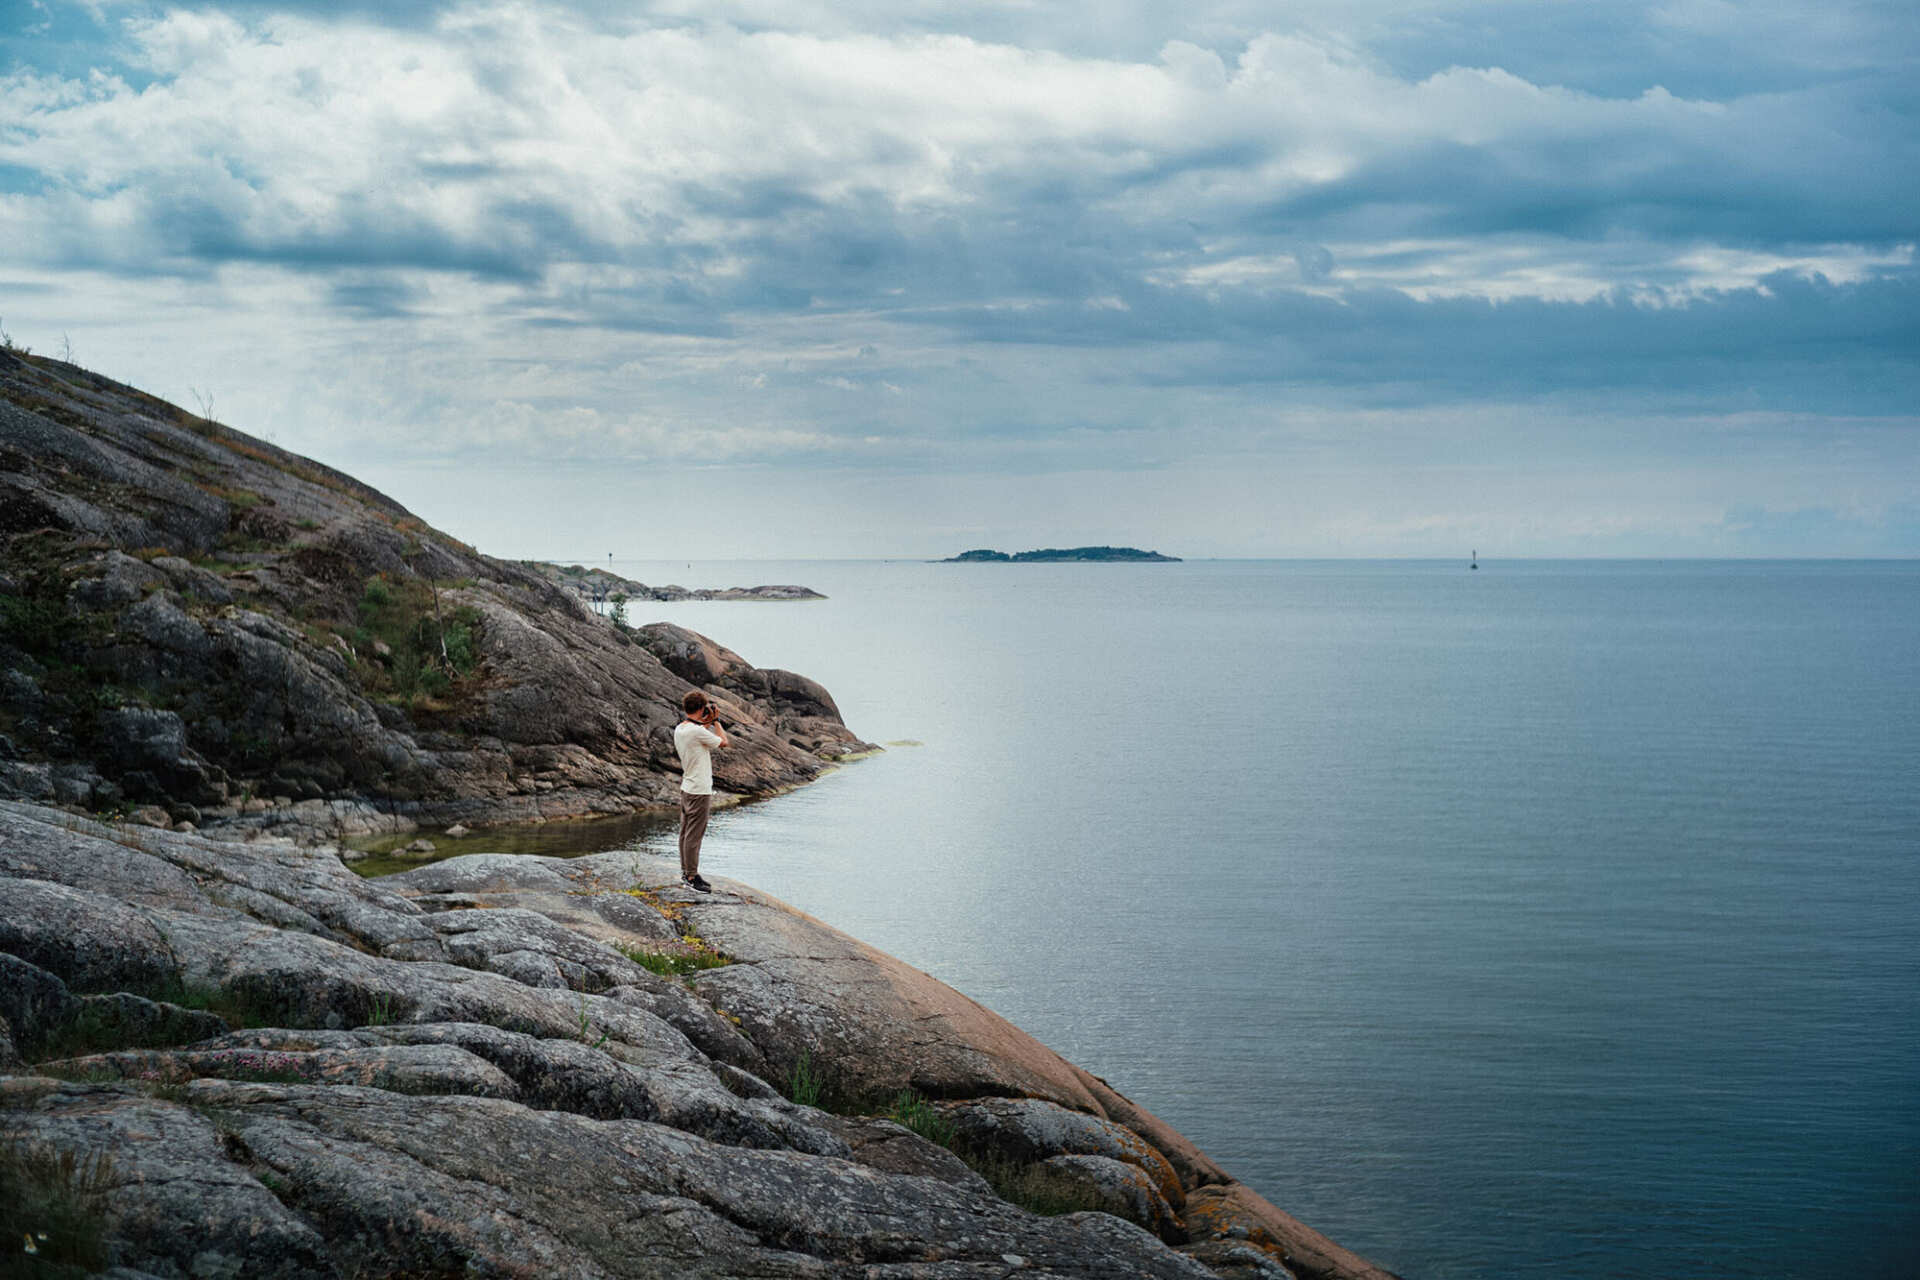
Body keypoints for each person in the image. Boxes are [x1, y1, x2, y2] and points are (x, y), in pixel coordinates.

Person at [672, 689, 729, 892]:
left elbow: (698, 732)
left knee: (685, 833)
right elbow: (723, 742)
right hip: (699, 790)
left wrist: (706, 722)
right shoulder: (697, 731)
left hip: (687, 787)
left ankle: (686, 871)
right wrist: (717, 722)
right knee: (694, 835)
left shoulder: (681, 729)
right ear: (701, 708)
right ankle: (691, 877)